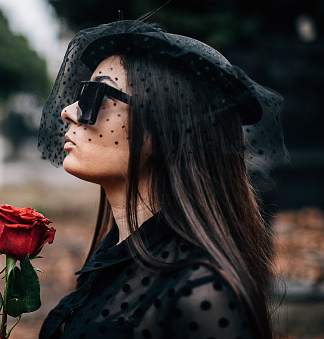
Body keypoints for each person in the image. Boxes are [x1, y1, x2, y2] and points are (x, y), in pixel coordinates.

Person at [37, 18, 288, 339]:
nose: (69, 111)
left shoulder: (201, 293)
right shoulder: (112, 260)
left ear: (162, 127)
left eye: (94, 95)